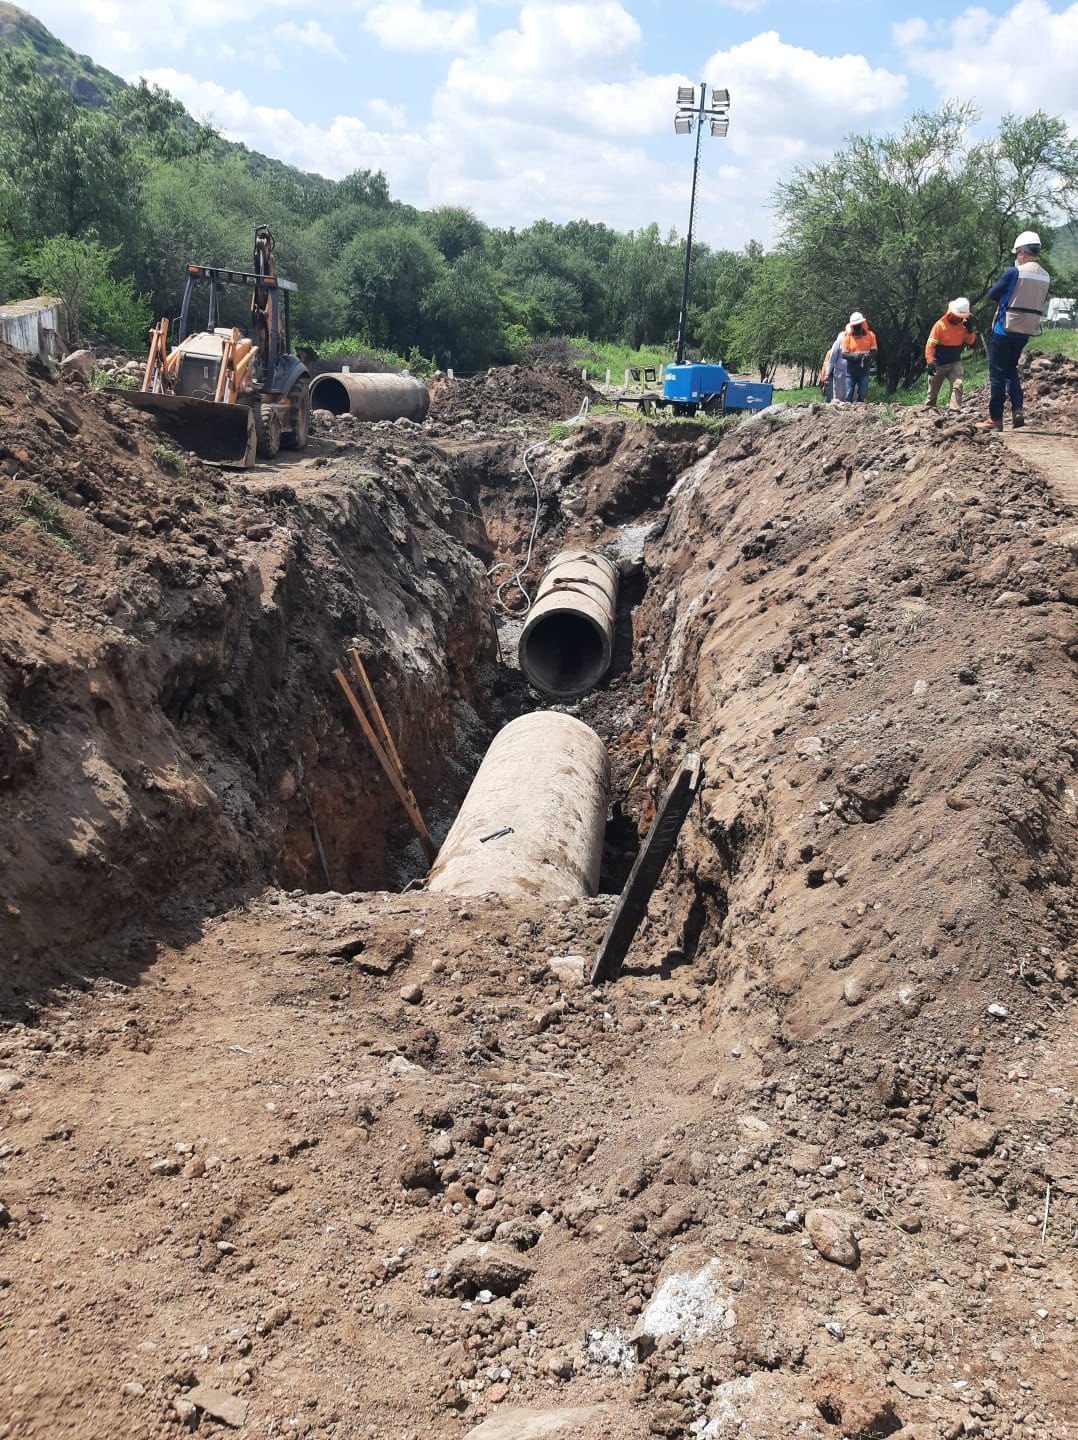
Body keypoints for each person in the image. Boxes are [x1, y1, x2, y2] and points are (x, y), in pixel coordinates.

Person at [977, 230, 1051, 432]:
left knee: (997, 374)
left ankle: (995, 419)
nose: (1017, 256)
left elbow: (993, 294)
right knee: (1011, 371)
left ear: (1023, 252)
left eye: (1018, 253)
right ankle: (1018, 409)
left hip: (1005, 329)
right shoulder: (1045, 276)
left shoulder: (1014, 272)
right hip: (1026, 331)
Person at [923, 298, 977, 410]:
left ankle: (954, 411)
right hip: (938, 364)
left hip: (954, 363)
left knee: (958, 385)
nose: (957, 319)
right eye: (956, 316)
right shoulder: (940, 325)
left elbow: (971, 341)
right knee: (932, 393)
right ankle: (928, 413)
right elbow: (930, 345)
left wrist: (971, 331)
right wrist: (929, 362)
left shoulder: (964, 325)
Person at [840, 311, 877, 402]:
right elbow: (844, 354)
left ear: (862, 324)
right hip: (851, 371)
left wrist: (868, 356)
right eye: (855, 326)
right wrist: (854, 356)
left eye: (858, 325)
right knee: (848, 393)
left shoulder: (870, 336)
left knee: (863, 393)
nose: (857, 328)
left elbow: (874, 351)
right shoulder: (847, 337)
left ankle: (860, 411)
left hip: (864, 370)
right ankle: (847, 411)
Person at [820, 330, 848, 403]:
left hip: (837, 375)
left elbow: (825, 364)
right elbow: (826, 364)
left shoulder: (831, 351)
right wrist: (824, 377)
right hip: (831, 377)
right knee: (831, 396)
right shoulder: (830, 352)